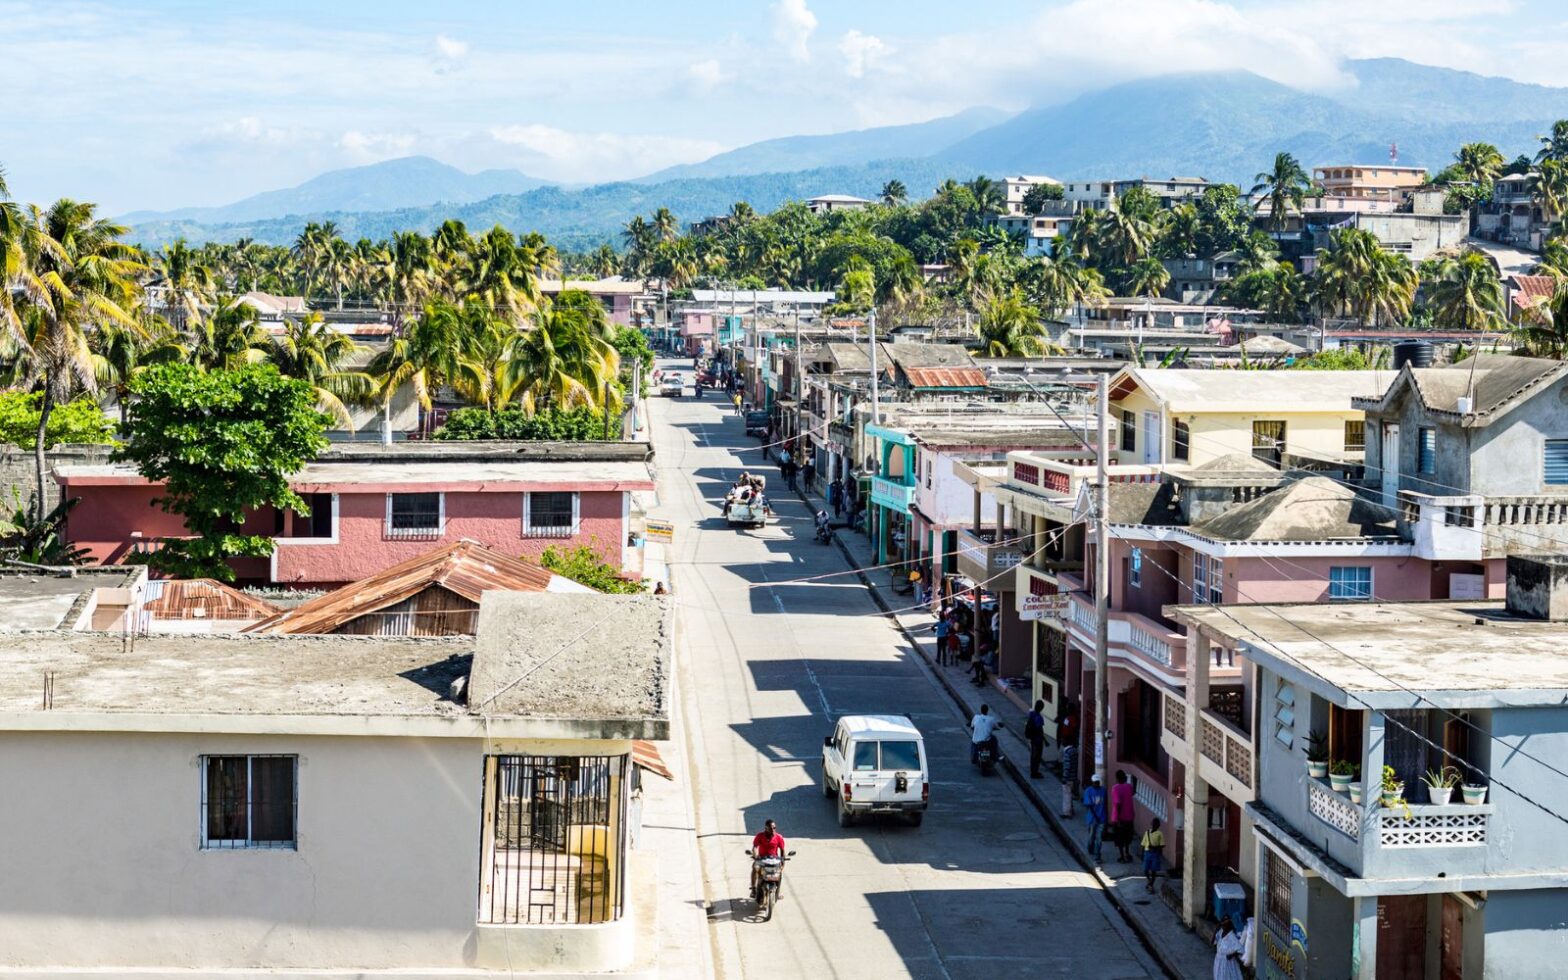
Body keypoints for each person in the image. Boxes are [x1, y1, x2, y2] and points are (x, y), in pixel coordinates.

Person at [749, 819, 788, 900]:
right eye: (771, 828)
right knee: (755, 868)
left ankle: (777, 892)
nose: (773, 830)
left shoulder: (779, 837)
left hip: (774, 860)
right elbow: (755, 847)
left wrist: (782, 861)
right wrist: (756, 856)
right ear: (766, 828)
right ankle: (753, 889)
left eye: (774, 828)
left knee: (779, 875)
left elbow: (782, 850)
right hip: (762, 860)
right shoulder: (759, 836)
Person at [1110, 769, 1136, 862]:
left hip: (1119, 818)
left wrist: (1118, 818)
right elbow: (1133, 792)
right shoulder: (1129, 787)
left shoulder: (1115, 788)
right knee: (1128, 836)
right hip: (1129, 817)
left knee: (1119, 838)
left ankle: (1122, 856)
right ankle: (1127, 853)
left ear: (1117, 778)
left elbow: (1117, 803)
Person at [1082, 774, 1107, 863]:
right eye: (1095, 783)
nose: (1096, 784)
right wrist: (1096, 817)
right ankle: (1090, 848)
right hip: (1092, 818)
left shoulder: (1103, 791)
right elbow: (1089, 806)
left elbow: (1106, 804)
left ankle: (1098, 854)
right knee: (1091, 836)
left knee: (1099, 838)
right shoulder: (1088, 791)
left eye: (1097, 783)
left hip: (1102, 818)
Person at [1212, 914, 1245, 980]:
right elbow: (1212, 942)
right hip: (1218, 961)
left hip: (1227, 963)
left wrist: (1232, 955)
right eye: (1222, 924)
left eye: (1225, 925)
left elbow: (1241, 950)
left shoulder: (1231, 936)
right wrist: (1216, 930)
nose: (1223, 926)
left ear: (1229, 925)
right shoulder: (1220, 932)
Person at [1025, 699, 1048, 779]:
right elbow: (1040, 730)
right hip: (1037, 739)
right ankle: (1035, 772)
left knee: (1033, 755)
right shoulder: (1038, 717)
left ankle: (1033, 771)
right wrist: (1045, 740)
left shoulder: (1031, 714)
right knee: (1037, 756)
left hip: (1032, 738)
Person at [1141, 818, 1165, 892]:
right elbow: (1143, 844)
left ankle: (1151, 884)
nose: (1154, 826)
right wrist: (1142, 854)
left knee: (1153, 870)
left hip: (1155, 853)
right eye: (1153, 824)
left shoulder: (1160, 834)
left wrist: (1155, 848)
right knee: (1145, 869)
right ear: (1151, 824)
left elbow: (1162, 845)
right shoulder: (1147, 832)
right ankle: (1149, 881)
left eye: (1156, 825)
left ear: (1158, 826)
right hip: (1147, 852)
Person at [1059, 740, 1078, 818]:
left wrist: (1064, 777)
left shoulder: (1067, 753)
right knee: (1070, 794)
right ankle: (1071, 809)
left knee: (1067, 794)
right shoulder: (1075, 751)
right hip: (1074, 776)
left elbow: (1067, 766)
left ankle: (1067, 812)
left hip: (1068, 777)